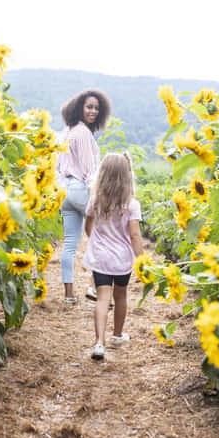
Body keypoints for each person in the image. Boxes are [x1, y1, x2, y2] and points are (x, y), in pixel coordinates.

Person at [83, 152, 144, 360]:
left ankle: (99, 343)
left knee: (102, 298)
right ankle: (117, 335)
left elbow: (88, 226)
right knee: (121, 296)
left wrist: (96, 240)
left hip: (101, 257)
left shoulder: (95, 200)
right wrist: (142, 260)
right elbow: (134, 235)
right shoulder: (132, 204)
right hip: (122, 260)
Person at [56, 89, 111, 305]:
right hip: (80, 189)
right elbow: (91, 172)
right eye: (89, 107)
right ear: (80, 107)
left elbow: (59, 165)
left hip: (65, 191)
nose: (93, 111)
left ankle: (69, 295)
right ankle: (94, 286)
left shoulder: (67, 131)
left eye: (97, 108)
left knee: (70, 244)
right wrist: (99, 197)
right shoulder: (84, 134)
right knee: (102, 237)